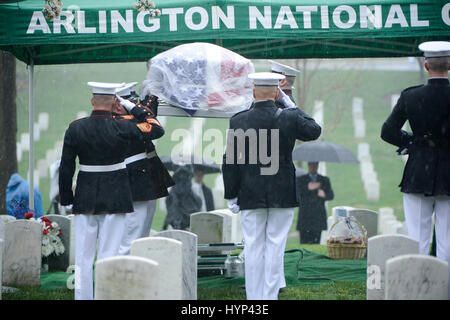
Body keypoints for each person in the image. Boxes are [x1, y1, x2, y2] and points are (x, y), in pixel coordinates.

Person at [59, 82, 164, 300]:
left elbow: (67, 166)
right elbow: (155, 128)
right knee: (109, 253)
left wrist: (67, 197)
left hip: (85, 196)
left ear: (92, 101)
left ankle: (82, 297)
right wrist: (133, 106)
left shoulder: (76, 127)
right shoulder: (123, 126)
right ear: (115, 102)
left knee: (83, 257)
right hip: (116, 196)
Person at [222, 72, 321, 300]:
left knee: (254, 246)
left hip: (250, 190)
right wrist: (291, 105)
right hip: (281, 190)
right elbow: (314, 130)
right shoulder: (289, 117)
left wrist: (231, 193)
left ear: (254, 91)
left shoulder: (239, 120)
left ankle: (255, 299)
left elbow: (231, 160)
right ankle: (270, 297)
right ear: (276, 92)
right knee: (275, 246)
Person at [380, 41, 450, 298]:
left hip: (419, 171)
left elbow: (387, 132)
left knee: (417, 239)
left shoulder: (411, 95)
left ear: (426, 64)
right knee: (447, 243)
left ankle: (419, 292)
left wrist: (412, 141)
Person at [112, 82, 174, 255]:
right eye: (130, 103)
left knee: (142, 232)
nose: (135, 107)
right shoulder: (122, 123)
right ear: (119, 106)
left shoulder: (131, 120)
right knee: (132, 233)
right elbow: (156, 128)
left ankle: (137, 269)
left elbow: (149, 111)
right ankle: (123, 271)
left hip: (145, 181)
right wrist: (137, 108)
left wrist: (152, 93)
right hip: (135, 182)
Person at [296, 162, 334, 244]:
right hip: (305, 216)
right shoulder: (301, 179)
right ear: (308, 165)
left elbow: (331, 195)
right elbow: (296, 194)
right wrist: (308, 188)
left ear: (317, 166)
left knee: (316, 241)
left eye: (315, 165)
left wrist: (324, 195)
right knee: (304, 242)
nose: (313, 167)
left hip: (318, 215)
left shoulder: (324, 180)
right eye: (311, 165)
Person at [164, 165, 202, 230]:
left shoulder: (195, 198)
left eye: (185, 178)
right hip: (177, 224)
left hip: (189, 223)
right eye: (179, 178)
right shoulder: (172, 196)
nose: (182, 179)